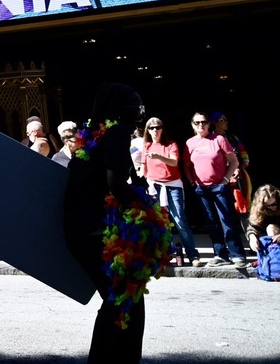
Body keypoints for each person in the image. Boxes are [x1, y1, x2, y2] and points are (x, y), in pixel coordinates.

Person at [64, 83, 160, 363]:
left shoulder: (93, 135)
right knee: (127, 302)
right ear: (121, 109)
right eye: (137, 107)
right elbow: (115, 183)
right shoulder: (116, 131)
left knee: (115, 300)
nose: (140, 114)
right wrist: (149, 208)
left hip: (79, 229)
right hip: (95, 230)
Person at [184, 111, 246, 267]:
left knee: (227, 220)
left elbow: (234, 162)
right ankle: (220, 254)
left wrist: (225, 179)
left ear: (209, 124)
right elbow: (186, 166)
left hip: (219, 186)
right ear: (192, 125)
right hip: (201, 188)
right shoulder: (190, 143)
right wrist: (193, 182)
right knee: (211, 222)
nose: (201, 125)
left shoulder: (219, 139)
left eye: (203, 122)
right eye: (197, 122)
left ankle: (237, 255)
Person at [142, 117, 201, 267]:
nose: (155, 130)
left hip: (173, 185)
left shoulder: (170, 144)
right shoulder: (146, 146)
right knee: (160, 222)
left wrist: (158, 157)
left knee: (179, 220)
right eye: (152, 127)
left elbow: (174, 162)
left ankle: (193, 255)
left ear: (162, 129)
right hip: (154, 186)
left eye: (158, 127)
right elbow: (144, 169)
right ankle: (166, 254)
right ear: (147, 130)